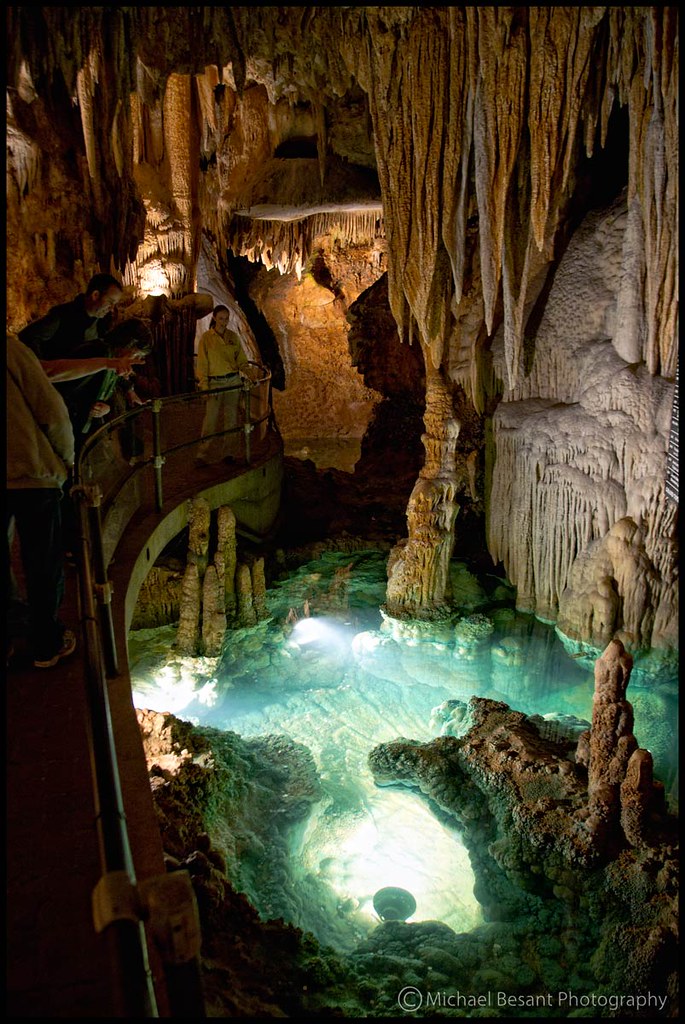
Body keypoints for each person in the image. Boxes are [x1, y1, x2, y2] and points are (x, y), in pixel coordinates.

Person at [18, 274, 145, 551]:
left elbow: (103, 370)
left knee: (76, 472)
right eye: (109, 302)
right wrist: (43, 373)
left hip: (78, 410)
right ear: (95, 294)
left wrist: (124, 390)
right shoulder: (61, 318)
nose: (111, 309)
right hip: (55, 404)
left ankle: (75, 536)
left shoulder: (99, 327)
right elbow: (26, 343)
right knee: (61, 474)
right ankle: (65, 540)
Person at [6, 333, 77, 669]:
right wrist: (66, 462)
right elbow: (49, 408)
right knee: (42, 561)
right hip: (30, 471)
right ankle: (45, 644)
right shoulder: (10, 348)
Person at [195, 305, 250, 465]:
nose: (224, 322)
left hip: (233, 381)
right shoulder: (206, 338)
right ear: (214, 318)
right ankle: (202, 454)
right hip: (215, 383)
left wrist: (251, 374)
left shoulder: (233, 337)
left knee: (231, 418)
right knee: (210, 420)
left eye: (226, 319)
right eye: (221, 319)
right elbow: (202, 365)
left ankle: (229, 453)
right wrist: (204, 386)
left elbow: (241, 360)